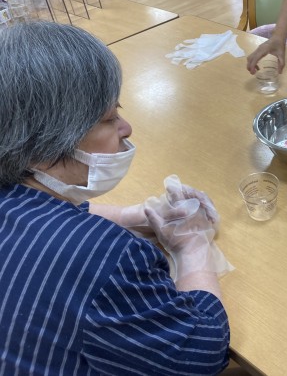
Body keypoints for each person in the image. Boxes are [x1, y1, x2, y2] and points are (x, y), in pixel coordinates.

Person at [0, 21, 233, 375]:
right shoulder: (108, 259)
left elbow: (44, 214)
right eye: (108, 119)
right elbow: (202, 353)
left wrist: (136, 214)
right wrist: (193, 248)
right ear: (43, 147)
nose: (126, 128)